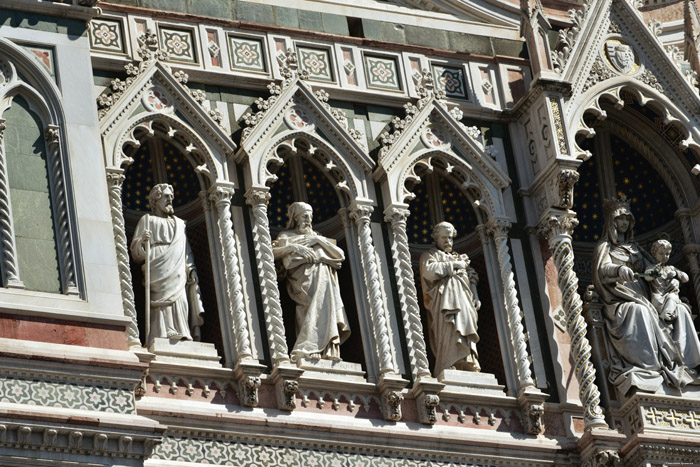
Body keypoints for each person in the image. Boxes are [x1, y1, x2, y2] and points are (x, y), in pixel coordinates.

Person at [592, 195, 699, 394]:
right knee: (638, 311)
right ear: (612, 222)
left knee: (681, 309)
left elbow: (655, 268)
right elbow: (602, 269)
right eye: (620, 219)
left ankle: (687, 365)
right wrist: (617, 271)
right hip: (620, 299)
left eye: (627, 219)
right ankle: (648, 367)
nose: (624, 223)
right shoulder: (605, 248)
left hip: (646, 296)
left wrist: (659, 274)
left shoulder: (637, 248)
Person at [272, 202, 350, 363]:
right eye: (304, 216)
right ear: (295, 217)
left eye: (310, 216)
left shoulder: (317, 236)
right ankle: (307, 347)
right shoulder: (287, 236)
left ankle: (325, 348)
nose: (308, 220)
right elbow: (272, 253)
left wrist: (318, 240)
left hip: (324, 278)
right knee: (306, 308)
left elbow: (340, 255)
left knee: (324, 308)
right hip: (302, 280)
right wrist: (294, 248)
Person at [130, 183, 204, 346]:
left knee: (181, 299)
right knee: (161, 302)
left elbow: (186, 250)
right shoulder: (147, 220)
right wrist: (143, 242)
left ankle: (182, 331)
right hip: (157, 263)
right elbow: (135, 252)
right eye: (165, 196)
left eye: (171, 197)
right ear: (155, 200)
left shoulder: (179, 223)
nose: (169, 199)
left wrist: (190, 267)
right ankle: (161, 334)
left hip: (177, 265)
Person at [420, 222, 481, 374]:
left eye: (450, 238)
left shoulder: (460, 257)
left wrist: (475, 295)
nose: (448, 241)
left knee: (466, 325)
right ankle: (449, 361)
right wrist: (455, 265)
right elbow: (429, 272)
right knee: (449, 329)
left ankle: (468, 359)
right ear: (436, 238)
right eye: (444, 238)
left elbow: (472, 276)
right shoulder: (429, 255)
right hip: (443, 302)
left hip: (464, 299)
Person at [646, 239, 700, 366]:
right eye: (661, 254)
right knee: (671, 298)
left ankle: (691, 357)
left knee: (674, 299)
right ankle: (667, 314)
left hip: (672, 298)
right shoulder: (652, 267)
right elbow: (647, 276)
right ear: (654, 253)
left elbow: (686, 278)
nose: (664, 257)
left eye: (667, 254)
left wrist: (676, 273)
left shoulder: (670, 267)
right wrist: (655, 273)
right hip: (658, 299)